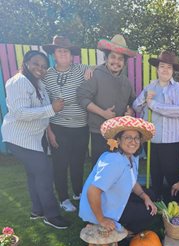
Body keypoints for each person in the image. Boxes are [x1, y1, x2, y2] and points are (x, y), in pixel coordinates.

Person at [79, 116, 158, 246]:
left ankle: (124, 227)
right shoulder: (114, 162)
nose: (133, 141)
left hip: (111, 199)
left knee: (150, 194)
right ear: (118, 140)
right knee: (148, 214)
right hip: (102, 208)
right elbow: (92, 191)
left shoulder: (130, 157)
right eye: (128, 137)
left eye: (136, 138)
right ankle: (123, 232)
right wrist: (101, 219)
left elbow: (132, 181)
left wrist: (145, 197)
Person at [1, 50, 69, 229]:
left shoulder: (37, 83)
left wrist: (52, 111)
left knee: (34, 174)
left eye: (44, 66)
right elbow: (20, 112)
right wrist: (52, 109)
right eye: (36, 64)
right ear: (26, 63)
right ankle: (51, 215)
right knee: (44, 173)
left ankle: (37, 211)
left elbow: (44, 108)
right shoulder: (18, 82)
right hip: (19, 137)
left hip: (32, 138)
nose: (40, 68)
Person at [42, 35, 91, 212]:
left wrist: (91, 71)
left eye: (66, 51)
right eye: (59, 50)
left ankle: (78, 192)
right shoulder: (47, 76)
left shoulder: (81, 69)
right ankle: (63, 198)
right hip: (58, 127)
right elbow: (43, 105)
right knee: (60, 164)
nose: (63, 53)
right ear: (54, 54)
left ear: (71, 55)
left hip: (81, 127)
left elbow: (100, 71)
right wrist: (49, 131)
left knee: (78, 162)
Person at [133, 50, 179, 201]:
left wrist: (153, 104)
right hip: (152, 138)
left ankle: (178, 201)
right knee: (155, 172)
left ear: (173, 71)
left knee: (171, 172)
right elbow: (136, 106)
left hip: (172, 139)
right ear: (157, 68)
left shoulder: (177, 88)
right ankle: (155, 202)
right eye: (162, 66)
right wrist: (145, 99)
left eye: (169, 67)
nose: (165, 70)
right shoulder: (150, 86)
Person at [77, 34, 136, 166]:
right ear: (106, 58)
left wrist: (130, 110)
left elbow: (132, 101)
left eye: (120, 59)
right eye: (113, 57)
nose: (116, 61)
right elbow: (82, 97)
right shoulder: (95, 75)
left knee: (117, 167)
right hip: (99, 133)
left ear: (125, 62)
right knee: (100, 168)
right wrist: (103, 113)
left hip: (119, 134)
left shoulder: (126, 82)